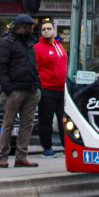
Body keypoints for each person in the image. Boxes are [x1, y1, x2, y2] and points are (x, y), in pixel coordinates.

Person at [0, 14, 41, 169]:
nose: (33, 29)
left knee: (27, 125)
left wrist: (37, 85)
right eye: (31, 26)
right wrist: (8, 89)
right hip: (15, 90)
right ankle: (3, 157)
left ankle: (21, 157)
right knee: (8, 124)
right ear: (23, 26)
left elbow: (32, 63)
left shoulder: (28, 42)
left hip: (30, 88)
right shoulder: (6, 42)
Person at [34, 21, 67, 158]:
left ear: (54, 30)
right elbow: (35, 68)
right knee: (46, 120)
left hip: (62, 89)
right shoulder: (38, 48)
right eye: (43, 29)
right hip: (47, 89)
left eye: (49, 29)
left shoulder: (59, 46)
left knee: (64, 120)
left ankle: (67, 146)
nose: (46, 31)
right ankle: (47, 147)